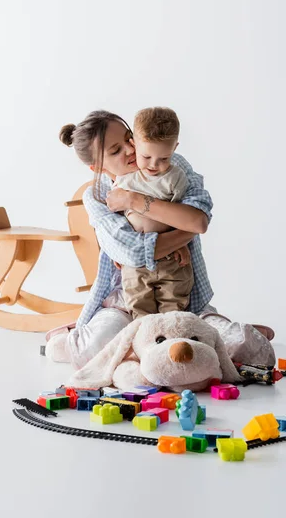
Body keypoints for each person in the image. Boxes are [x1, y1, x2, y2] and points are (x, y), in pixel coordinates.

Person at [45, 110, 274, 369]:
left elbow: (199, 219)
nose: (131, 150)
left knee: (244, 346)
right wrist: (183, 230)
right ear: (98, 167)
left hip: (179, 291)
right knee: (94, 346)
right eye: (115, 150)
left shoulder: (171, 164)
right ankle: (79, 336)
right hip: (125, 299)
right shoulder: (97, 195)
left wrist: (132, 200)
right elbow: (131, 252)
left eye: (129, 138)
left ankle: (205, 328)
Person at [112, 106, 194, 318]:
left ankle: (173, 348)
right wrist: (115, 249)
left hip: (171, 258)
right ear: (133, 145)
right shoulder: (125, 179)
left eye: (164, 158)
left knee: (174, 311)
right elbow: (114, 219)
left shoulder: (176, 179)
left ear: (174, 148)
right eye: (146, 156)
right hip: (136, 263)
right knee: (140, 312)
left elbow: (181, 215)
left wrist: (182, 243)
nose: (154, 165)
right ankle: (144, 348)